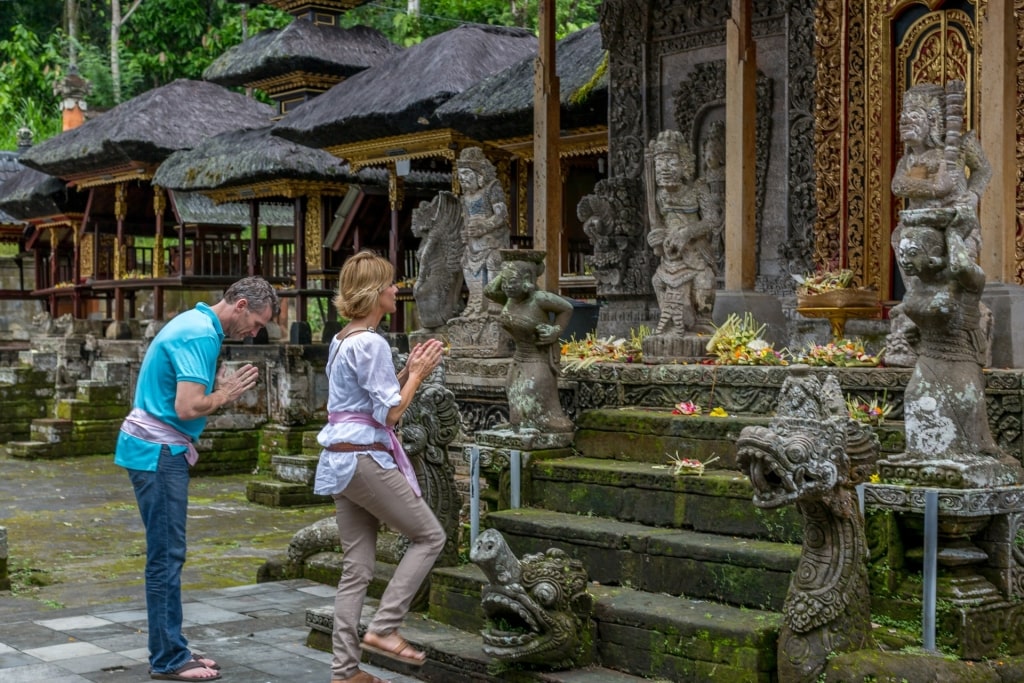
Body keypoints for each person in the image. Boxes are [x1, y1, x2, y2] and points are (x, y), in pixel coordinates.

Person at [115, 276, 280, 682]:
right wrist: (223, 394)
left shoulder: (196, 322)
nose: (255, 333)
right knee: (166, 556)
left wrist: (219, 390)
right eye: (257, 323)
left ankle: (174, 647)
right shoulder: (201, 335)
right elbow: (188, 407)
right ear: (240, 305)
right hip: (158, 452)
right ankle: (168, 659)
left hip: (156, 448)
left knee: (168, 553)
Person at [315, 250, 446, 683]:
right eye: (390, 284)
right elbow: (389, 415)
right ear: (374, 293)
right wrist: (419, 375)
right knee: (429, 536)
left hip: (340, 459)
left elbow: (369, 398)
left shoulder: (343, 339)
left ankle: (345, 672)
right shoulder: (370, 342)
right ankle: (386, 627)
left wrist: (406, 369)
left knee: (357, 569)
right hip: (364, 459)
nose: (397, 289)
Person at [484, 253, 574, 433]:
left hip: (536, 358)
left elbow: (567, 308)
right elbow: (489, 291)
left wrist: (555, 331)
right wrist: (507, 270)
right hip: (519, 357)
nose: (507, 287)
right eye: (505, 283)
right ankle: (518, 424)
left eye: (512, 282)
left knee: (530, 390)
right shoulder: (509, 298)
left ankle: (540, 424)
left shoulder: (539, 299)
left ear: (526, 280)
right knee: (513, 390)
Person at [644, 129, 718, 337]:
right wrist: (656, 236)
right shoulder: (659, 196)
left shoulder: (698, 189)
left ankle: (703, 322)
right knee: (658, 281)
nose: (664, 169)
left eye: (671, 163)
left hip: (695, 254)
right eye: (659, 164)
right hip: (672, 256)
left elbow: (712, 220)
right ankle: (670, 327)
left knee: (704, 281)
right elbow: (658, 224)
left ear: (684, 164)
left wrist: (688, 232)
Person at [456, 147, 510, 319]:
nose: (461, 178)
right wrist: (465, 233)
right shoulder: (465, 198)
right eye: (460, 174)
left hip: (491, 240)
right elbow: (466, 219)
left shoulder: (492, 188)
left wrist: (485, 226)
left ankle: (493, 301)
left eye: (466, 173)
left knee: (493, 261)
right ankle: (475, 302)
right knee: (466, 264)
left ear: (479, 174)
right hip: (473, 244)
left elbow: (502, 214)